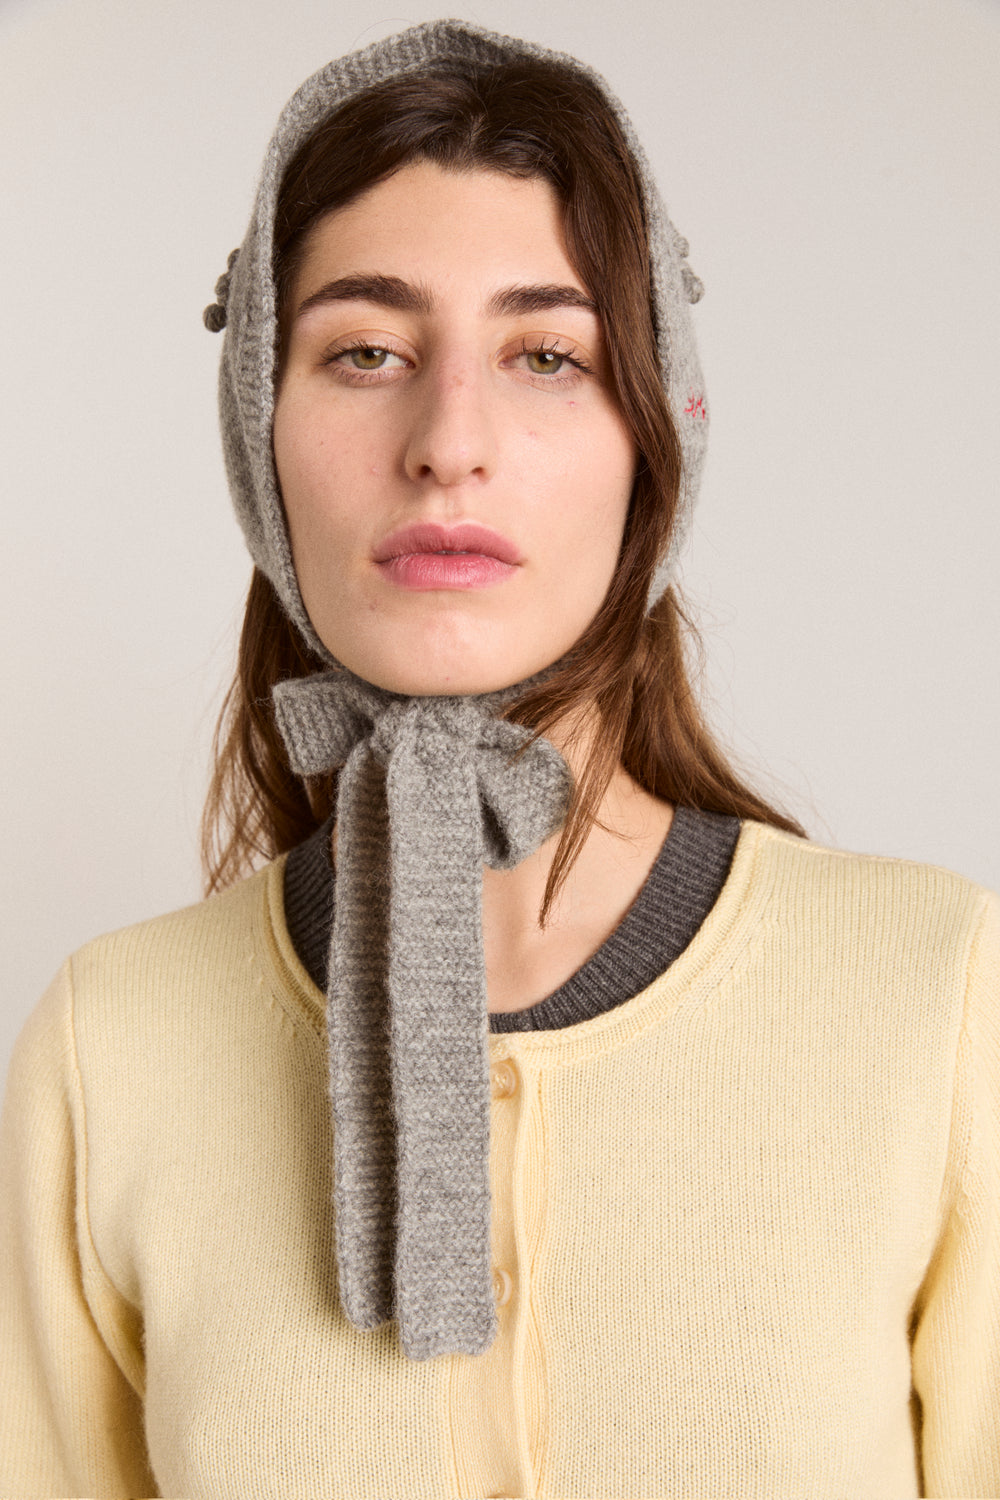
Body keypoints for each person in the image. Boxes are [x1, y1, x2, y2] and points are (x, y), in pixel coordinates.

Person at [0, 17, 996, 1499]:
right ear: (260, 431)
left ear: (654, 439)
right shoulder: (112, 1044)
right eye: (365, 352)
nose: (448, 441)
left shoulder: (939, 995)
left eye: (546, 354)